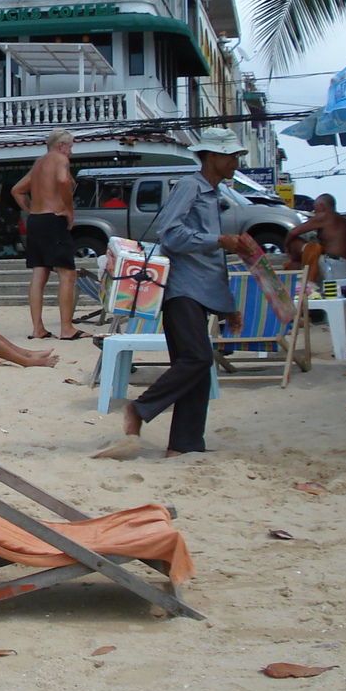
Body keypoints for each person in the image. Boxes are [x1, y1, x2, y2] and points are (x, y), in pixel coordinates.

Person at [123, 127, 247, 456]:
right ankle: (140, 408)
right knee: (197, 358)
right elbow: (171, 234)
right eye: (232, 155)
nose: (236, 161)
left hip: (199, 290)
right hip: (181, 289)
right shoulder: (191, 186)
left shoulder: (213, 193)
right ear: (213, 157)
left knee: (198, 370)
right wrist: (218, 240)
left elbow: (212, 264)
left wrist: (227, 306)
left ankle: (183, 446)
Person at [11, 128, 83, 340]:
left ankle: (38, 328)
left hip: (36, 220)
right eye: (70, 146)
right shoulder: (60, 159)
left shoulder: (39, 163)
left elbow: (17, 190)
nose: (71, 152)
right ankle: (67, 328)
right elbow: (62, 181)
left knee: (39, 274)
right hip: (54, 219)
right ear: (61, 145)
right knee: (67, 273)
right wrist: (69, 210)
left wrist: (31, 209)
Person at [286, 194, 346, 281]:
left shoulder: (325, 216)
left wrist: (286, 247)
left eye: (315, 208)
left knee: (295, 243)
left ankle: (296, 268)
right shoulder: (342, 220)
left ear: (321, 206)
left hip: (333, 265)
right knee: (310, 249)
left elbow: (293, 232)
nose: (314, 211)